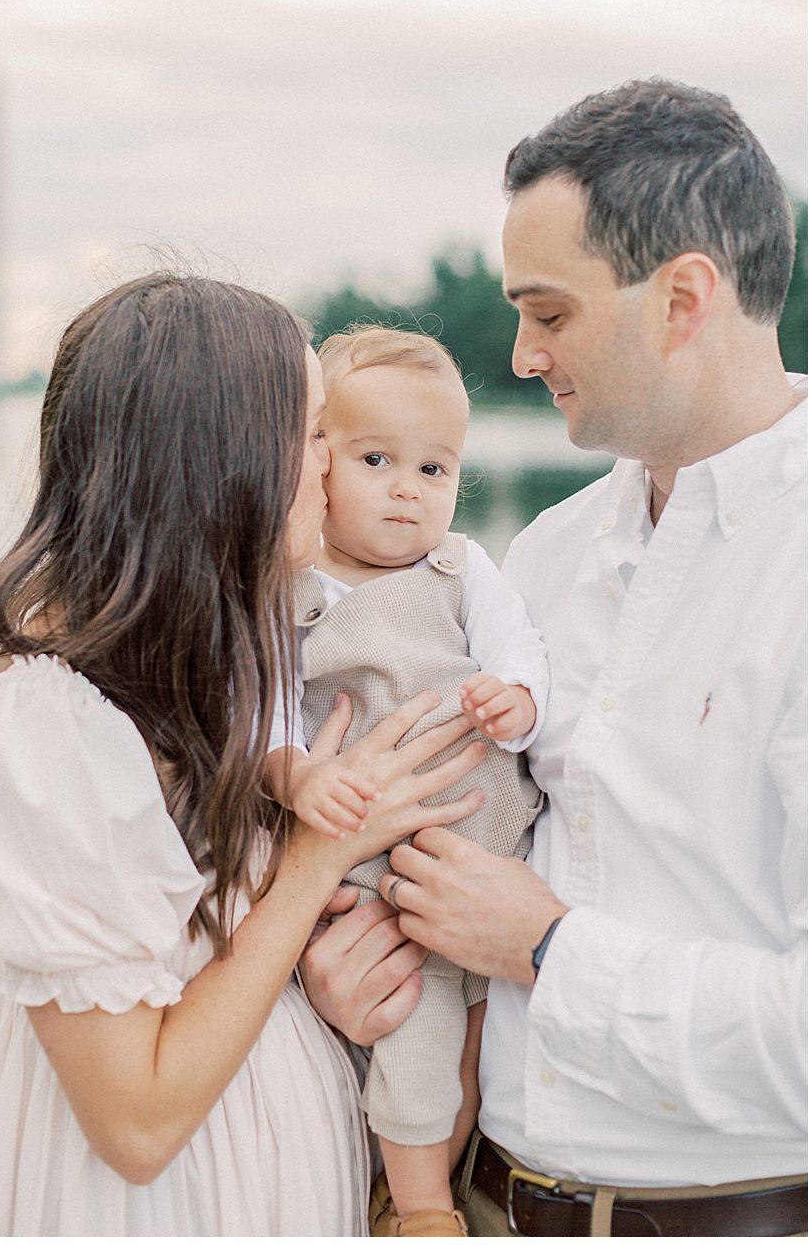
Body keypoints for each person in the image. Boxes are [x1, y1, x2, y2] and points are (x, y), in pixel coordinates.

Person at [301, 80, 807, 1236]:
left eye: (550, 312)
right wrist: (348, 975)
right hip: (481, 1200)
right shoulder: (538, 556)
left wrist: (542, 945)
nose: (521, 356)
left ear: (684, 297)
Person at [0, 272, 489, 1236]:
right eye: (312, 433)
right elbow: (135, 1122)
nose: (334, 468)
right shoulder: (45, 725)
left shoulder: (237, 661)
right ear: (223, 460)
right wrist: (315, 861)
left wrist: (331, 988)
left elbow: (217, 963)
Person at [265, 327, 548, 1236]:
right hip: (372, 859)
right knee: (416, 1018)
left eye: (434, 469)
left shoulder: (465, 567)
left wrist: (517, 699)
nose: (406, 489)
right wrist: (294, 776)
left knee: (480, 1033)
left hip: (483, 832)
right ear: (317, 467)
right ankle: (422, 1205)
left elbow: (520, 649)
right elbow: (263, 710)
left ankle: (413, 1189)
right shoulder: (292, 591)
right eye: (376, 458)